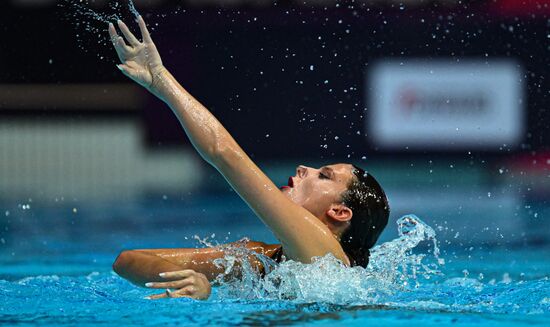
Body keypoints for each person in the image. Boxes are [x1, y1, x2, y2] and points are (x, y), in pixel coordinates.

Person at [108, 16, 389, 301]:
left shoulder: (326, 255)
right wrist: (193, 283)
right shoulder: (263, 260)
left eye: (324, 175)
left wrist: (162, 81)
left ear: (340, 212)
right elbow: (128, 261)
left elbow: (224, 154)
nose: (304, 168)